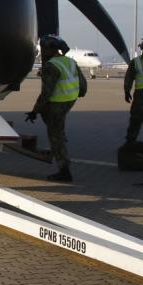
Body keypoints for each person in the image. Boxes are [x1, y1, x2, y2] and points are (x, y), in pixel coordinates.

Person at [26, 34, 87, 182]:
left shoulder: (51, 66)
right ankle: (60, 135)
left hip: (56, 104)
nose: (42, 51)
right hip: (68, 102)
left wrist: (35, 111)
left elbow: (46, 93)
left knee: (55, 137)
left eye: (43, 48)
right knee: (58, 129)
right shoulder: (70, 62)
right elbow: (83, 85)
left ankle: (64, 170)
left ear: (49, 49)